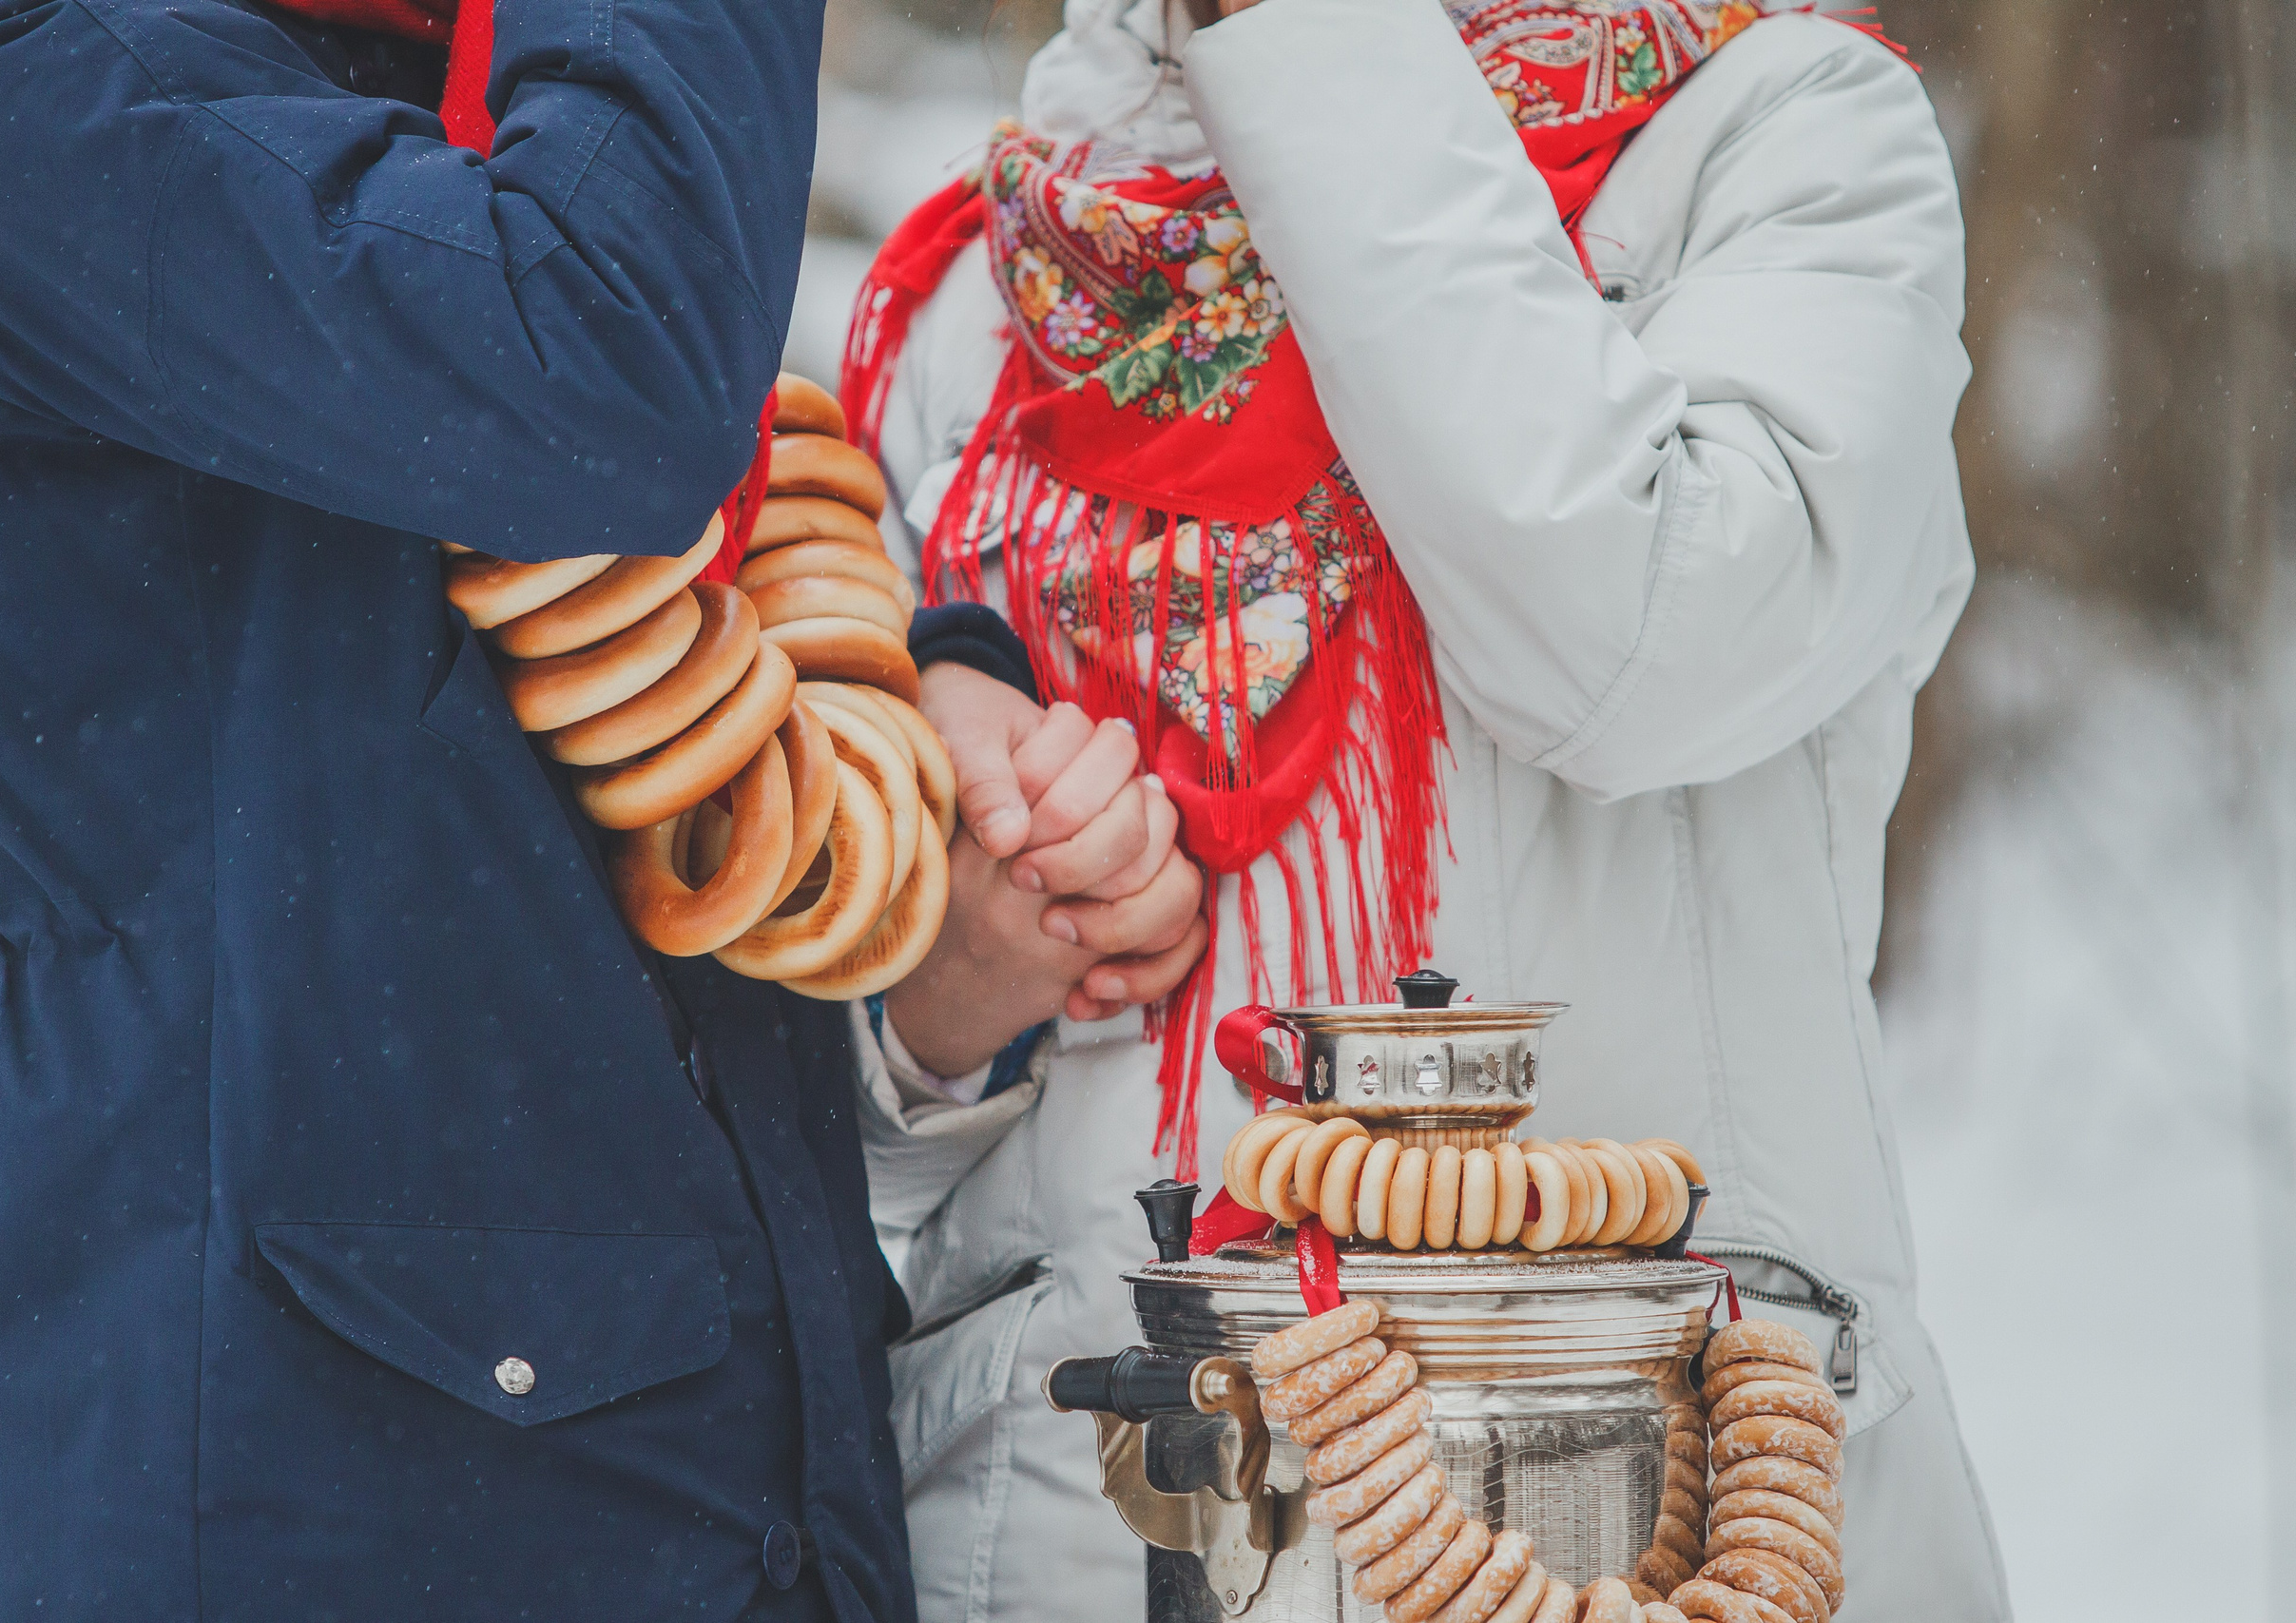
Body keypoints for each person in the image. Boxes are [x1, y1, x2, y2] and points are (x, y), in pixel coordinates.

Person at [847, 1, 2010, 1620]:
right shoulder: (1003, 269)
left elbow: (1643, 649)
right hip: (1083, 1533)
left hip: (1640, 1518)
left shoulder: (1788, 135)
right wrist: (944, 986)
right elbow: (800, 1127)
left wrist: (1299, 39)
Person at [0, 0, 1001, 1615]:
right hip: (340, 1507)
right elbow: (606, 348)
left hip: (726, 1485)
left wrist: (955, 705)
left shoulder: (428, 59)